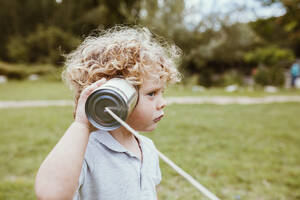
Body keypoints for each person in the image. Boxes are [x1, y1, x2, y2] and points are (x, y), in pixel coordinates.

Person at [34, 26, 182, 200]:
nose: (162, 102)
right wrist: (81, 125)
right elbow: (50, 194)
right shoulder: (86, 150)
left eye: (161, 92)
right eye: (152, 94)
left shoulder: (147, 148)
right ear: (117, 95)